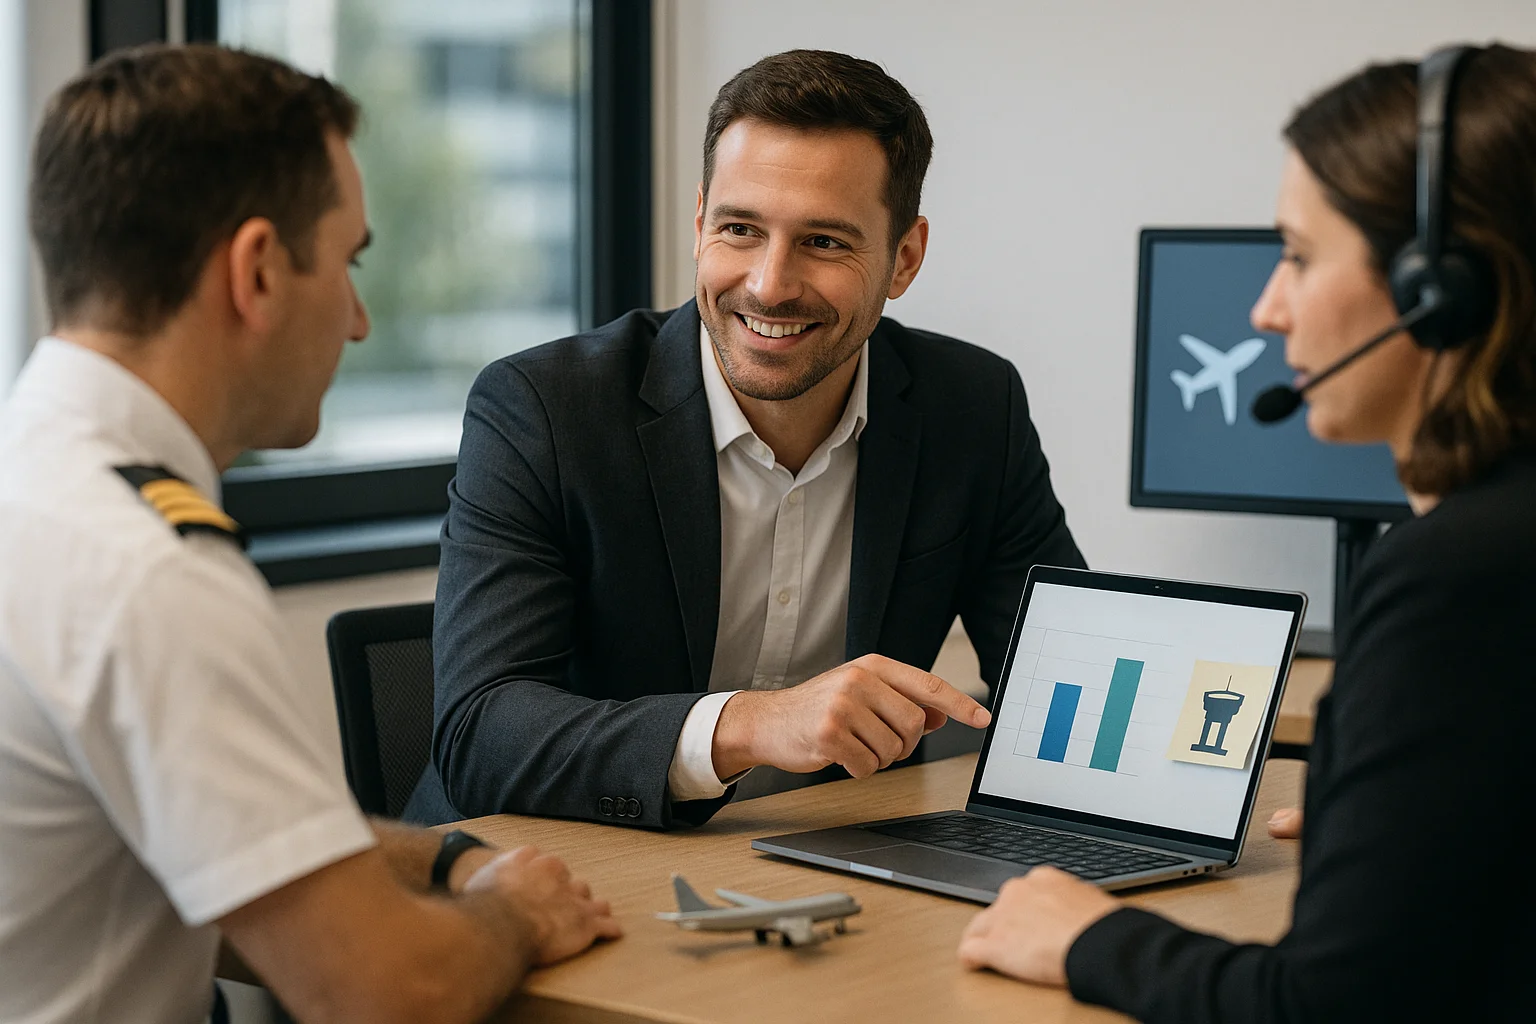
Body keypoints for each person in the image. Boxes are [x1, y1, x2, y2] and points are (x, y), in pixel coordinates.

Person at [0, 45, 619, 1024]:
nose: (361, 320)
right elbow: (385, 990)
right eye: (348, 261)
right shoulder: (146, 572)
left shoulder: (35, 489)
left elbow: (223, 843)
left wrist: (448, 855)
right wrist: (516, 914)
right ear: (256, 271)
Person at [957, 43, 1536, 1021]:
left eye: (1301, 257)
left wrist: (1090, 936)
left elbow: (1329, 1007)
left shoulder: (1455, 574)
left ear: (1443, 289)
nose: (1267, 310)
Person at [407, 49, 1084, 830]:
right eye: (740, 229)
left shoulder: (971, 406)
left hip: (826, 867)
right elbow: (480, 733)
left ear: (905, 257)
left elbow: (1062, 674)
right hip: (550, 867)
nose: (768, 284)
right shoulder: (546, 410)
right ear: (699, 225)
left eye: (824, 242)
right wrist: (752, 723)